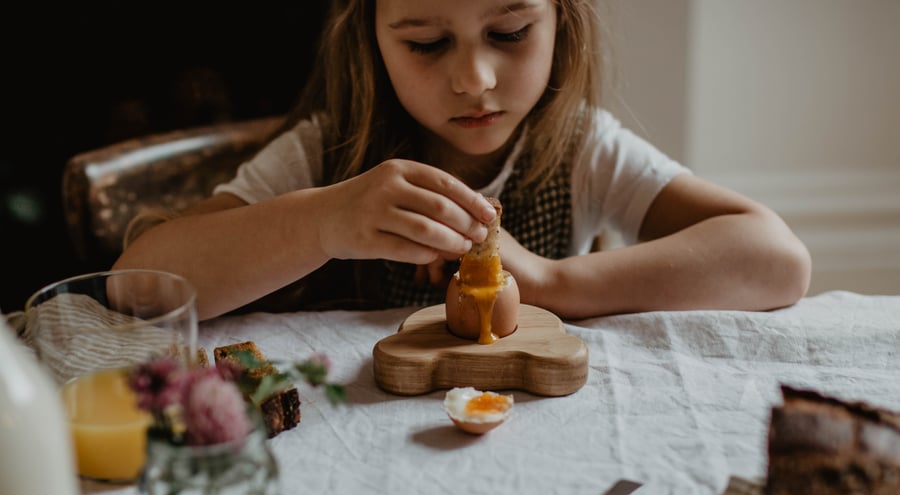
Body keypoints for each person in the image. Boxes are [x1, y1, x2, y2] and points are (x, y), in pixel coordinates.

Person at [112, 0, 811, 321]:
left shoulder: (580, 148)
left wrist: (554, 282)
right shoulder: (326, 154)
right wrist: (322, 223)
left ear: (561, 19)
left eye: (509, 31)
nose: (474, 79)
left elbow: (776, 259)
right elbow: (137, 286)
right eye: (426, 43)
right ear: (371, 37)